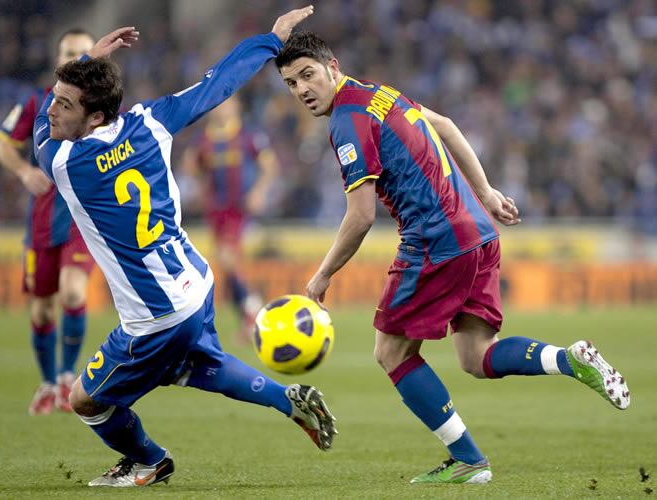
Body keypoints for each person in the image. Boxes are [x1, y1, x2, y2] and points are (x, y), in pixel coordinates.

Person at [275, 31, 629, 485]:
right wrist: (486, 192)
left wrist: (322, 274)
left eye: (307, 75)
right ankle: (569, 359)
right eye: (291, 83)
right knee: (475, 356)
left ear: (332, 67)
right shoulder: (378, 93)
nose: (302, 89)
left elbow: (360, 216)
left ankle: (468, 460)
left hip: (434, 241)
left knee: (391, 352)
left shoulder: (346, 120)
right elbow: (445, 124)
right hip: (478, 232)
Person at [34, 8, 336, 488]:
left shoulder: (65, 161)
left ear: (94, 117)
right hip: (194, 285)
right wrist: (271, 40)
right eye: (54, 99)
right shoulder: (150, 122)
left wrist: (89, 55)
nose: (51, 109)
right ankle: (287, 398)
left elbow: (37, 135)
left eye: (64, 104)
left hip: (153, 318)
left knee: (85, 400)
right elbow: (217, 85)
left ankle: (148, 460)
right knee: (199, 366)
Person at [0, 29, 96, 415]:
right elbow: (3, 145)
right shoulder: (37, 103)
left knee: (73, 293)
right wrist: (23, 172)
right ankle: (48, 382)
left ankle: (68, 376)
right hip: (41, 223)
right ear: (58, 59)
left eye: (85, 53)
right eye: (70, 53)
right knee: (41, 311)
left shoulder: (104, 106)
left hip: (80, 221)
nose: (77, 60)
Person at [182, 95, 277, 343]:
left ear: (236, 106)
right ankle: (250, 316)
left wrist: (258, 192)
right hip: (216, 211)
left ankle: (253, 313)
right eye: (217, 104)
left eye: (226, 103)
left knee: (227, 259)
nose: (221, 108)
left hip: (239, 209)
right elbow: (190, 165)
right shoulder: (204, 139)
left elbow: (270, 165)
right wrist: (200, 184)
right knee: (229, 265)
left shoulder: (248, 135)